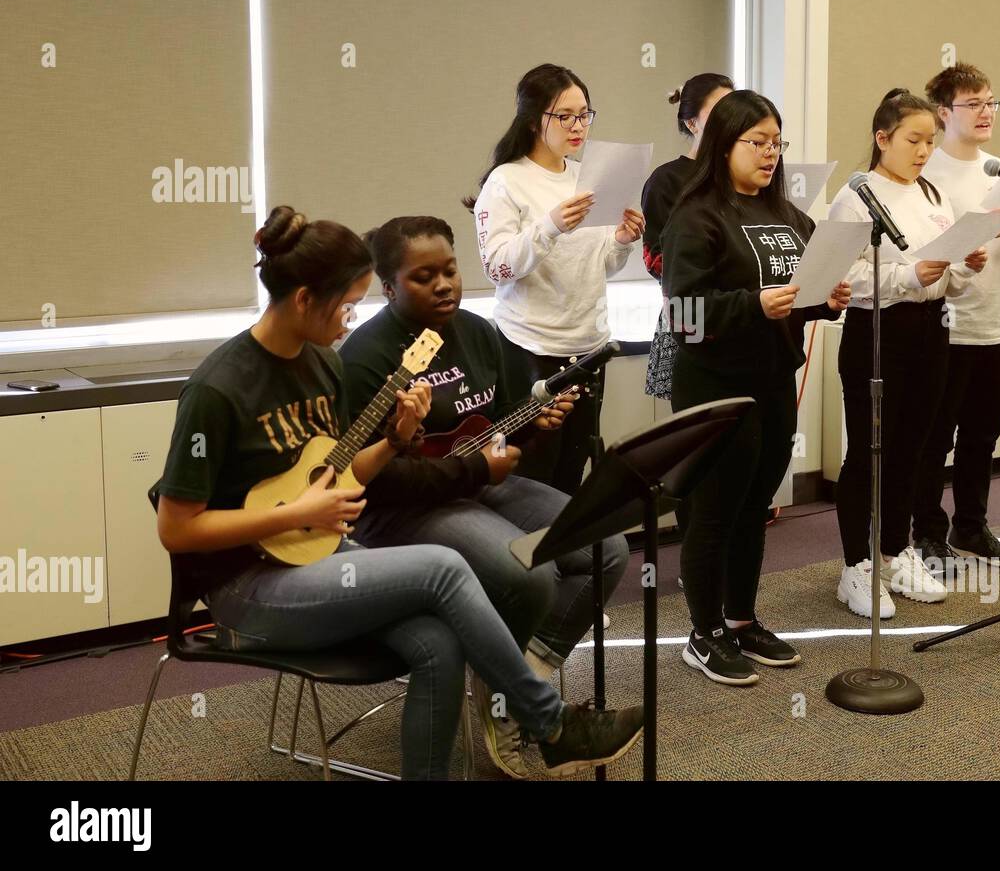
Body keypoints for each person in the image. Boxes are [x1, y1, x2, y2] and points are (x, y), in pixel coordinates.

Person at [155, 205, 643, 780]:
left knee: (439, 643)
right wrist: (301, 510)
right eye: (346, 304)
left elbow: (335, 470)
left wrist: (394, 440)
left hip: (316, 550)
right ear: (306, 299)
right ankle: (551, 723)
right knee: (445, 569)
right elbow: (177, 529)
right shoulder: (219, 388)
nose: (352, 318)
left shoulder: (318, 366)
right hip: (245, 583)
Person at [339, 214, 629, 777]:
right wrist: (478, 469)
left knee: (606, 546)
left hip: (474, 483)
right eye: (424, 277)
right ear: (388, 286)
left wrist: (536, 421)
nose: (444, 284)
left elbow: (494, 425)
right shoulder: (365, 357)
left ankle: (517, 681)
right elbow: (371, 476)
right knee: (530, 575)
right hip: (402, 509)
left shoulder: (477, 332)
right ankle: (516, 702)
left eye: (449, 270)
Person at [662, 89, 849, 686]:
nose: (770, 154)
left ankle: (741, 620)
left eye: (777, 143)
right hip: (715, 386)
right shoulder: (696, 217)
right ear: (724, 144)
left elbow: (797, 289)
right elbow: (683, 315)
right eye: (757, 142)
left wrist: (824, 300)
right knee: (714, 509)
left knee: (755, 506)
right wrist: (753, 305)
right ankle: (703, 631)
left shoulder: (789, 216)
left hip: (772, 378)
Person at [830, 88, 987, 619]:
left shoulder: (932, 194)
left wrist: (966, 264)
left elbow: (948, 280)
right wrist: (905, 277)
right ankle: (856, 567)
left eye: (929, 140)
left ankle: (895, 552)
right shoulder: (856, 196)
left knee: (915, 450)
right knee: (869, 452)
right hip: (877, 331)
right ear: (882, 138)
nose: (923, 151)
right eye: (912, 140)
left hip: (932, 328)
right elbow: (841, 273)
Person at [469, 63, 645, 494]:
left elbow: (599, 264)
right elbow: (497, 266)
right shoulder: (507, 180)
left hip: (587, 346)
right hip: (531, 346)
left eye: (584, 114)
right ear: (534, 119)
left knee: (572, 470)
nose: (577, 125)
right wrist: (549, 226)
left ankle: (571, 562)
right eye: (564, 116)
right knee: (532, 474)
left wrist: (621, 240)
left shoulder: (587, 176)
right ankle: (525, 561)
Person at [912, 62, 1000, 569]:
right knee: (934, 439)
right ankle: (927, 533)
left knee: (983, 437)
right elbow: (919, 248)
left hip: (994, 323)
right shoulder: (925, 171)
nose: (986, 112)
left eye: (991, 102)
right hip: (944, 326)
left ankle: (971, 527)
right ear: (944, 113)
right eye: (974, 103)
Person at [642, 72, 734, 400]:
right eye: (720, 111)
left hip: (740, 313)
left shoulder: (741, 176)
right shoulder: (667, 180)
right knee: (700, 420)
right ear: (692, 123)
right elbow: (655, 257)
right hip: (689, 311)